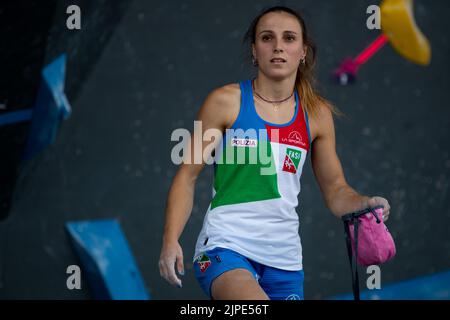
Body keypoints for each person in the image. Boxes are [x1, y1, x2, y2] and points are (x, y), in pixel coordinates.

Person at [159, 6, 391, 300]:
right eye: (267, 38)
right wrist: (170, 240)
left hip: (285, 260)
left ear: (303, 51)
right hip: (224, 248)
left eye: (289, 38)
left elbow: (335, 191)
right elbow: (187, 177)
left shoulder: (316, 114)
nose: (278, 46)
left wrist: (364, 203)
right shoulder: (225, 102)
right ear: (255, 50)